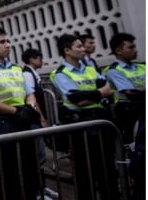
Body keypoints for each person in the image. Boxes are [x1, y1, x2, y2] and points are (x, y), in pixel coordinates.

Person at [0, 27, 45, 200]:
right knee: (10, 171)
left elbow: (29, 93)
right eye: (2, 42)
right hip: (3, 124)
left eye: (8, 41)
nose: (8, 45)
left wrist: (29, 108)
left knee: (30, 168)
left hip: (24, 120)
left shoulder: (16, 69)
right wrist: (17, 111)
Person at [49, 33, 119, 200]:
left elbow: (109, 90)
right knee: (84, 172)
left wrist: (94, 94)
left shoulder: (90, 68)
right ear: (67, 50)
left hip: (102, 122)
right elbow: (77, 100)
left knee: (108, 169)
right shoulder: (60, 73)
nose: (84, 49)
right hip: (80, 126)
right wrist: (99, 93)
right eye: (79, 46)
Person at [21, 48, 59, 200]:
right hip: (33, 121)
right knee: (37, 157)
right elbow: (32, 98)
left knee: (40, 157)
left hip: (36, 119)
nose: (41, 61)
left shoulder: (32, 73)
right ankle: (37, 191)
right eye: (39, 58)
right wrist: (41, 118)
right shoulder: (27, 74)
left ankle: (42, 188)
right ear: (31, 59)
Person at [105, 33, 145, 145]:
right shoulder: (114, 71)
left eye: (135, 47)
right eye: (131, 47)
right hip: (129, 112)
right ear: (118, 51)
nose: (135, 50)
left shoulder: (141, 67)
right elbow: (131, 94)